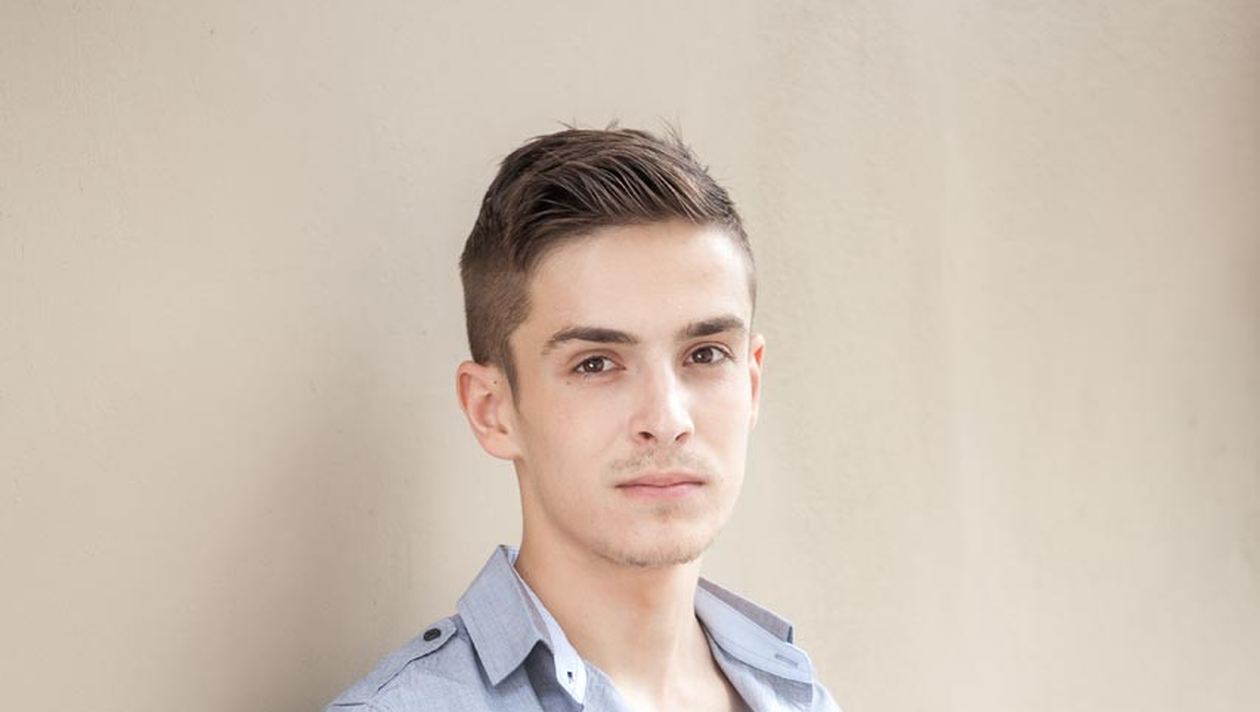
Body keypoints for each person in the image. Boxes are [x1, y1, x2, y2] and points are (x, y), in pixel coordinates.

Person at [324, 126, 841, 712]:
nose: (667, 419)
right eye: (596, 364)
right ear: (492, 410)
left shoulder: (802, 697)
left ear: (751, 381)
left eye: (705, 355)